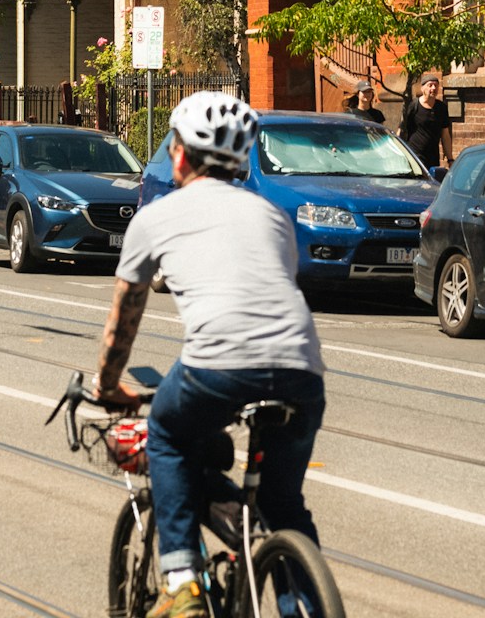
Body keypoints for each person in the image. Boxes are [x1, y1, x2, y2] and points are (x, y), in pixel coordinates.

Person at [92, 92, 324, 618]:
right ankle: (304, 606)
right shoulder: (272, 215)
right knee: (283, 504)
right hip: (302, 370)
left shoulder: (156, 217)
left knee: (167, 433)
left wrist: (107, 384)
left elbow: (125, 318)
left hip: (219, 365)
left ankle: (182, 582)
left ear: (179, 154)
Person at [398, 71, 454, 172]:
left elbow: (445, 135)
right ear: (422, 88)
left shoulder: (441, 108)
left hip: (433, 157)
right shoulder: (413, 106)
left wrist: (450, 159)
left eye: (436, 85)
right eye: (430, 85)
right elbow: (402, 129)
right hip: (415, 155)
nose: (433, 88)